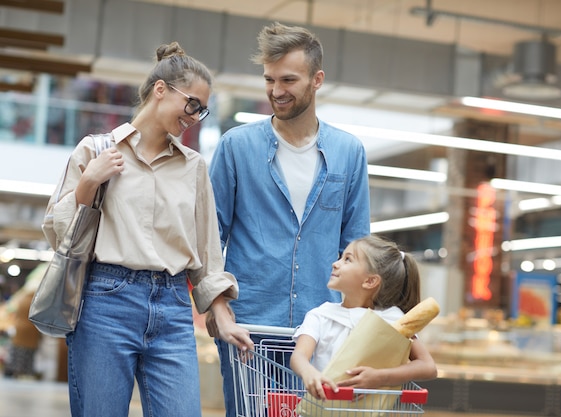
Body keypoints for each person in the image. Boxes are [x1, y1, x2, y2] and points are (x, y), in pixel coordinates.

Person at [41, 41, 248, 417]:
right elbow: (57, 233)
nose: (195, 116)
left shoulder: (194, 167)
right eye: (192, 104)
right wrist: (89, 183)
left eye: (202, 111)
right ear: (160, 89)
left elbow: (207, 252)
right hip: (105, 301)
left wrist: (221, 313)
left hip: (172, 307)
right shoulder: (95, 150)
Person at [206, 21, 371, 415]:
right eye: (269, 79)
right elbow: (208, 236)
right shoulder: (236, 147)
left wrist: (361, 324)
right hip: (250, 329)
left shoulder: (349, 153)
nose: (276, 91)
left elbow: (358, 245)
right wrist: (217, 309)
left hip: (321, 332)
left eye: (288, 80)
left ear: (317, 80)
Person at [290, 235, 438, 400]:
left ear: (370, 281)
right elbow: (299, 356)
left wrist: (380, 377)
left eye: (347, 259)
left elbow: (428, 366)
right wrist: (308, 372)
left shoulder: (392, 319)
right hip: (323, 408)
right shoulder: (321, 315)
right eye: (341, 257)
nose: (335, 263)